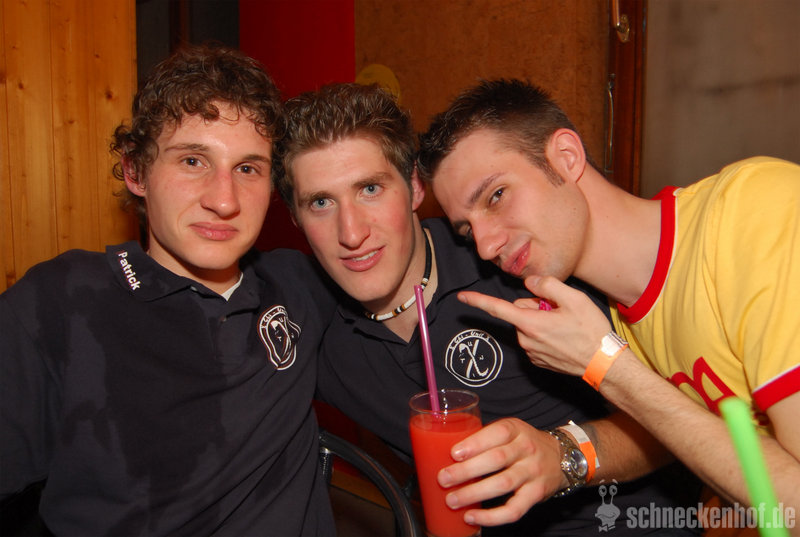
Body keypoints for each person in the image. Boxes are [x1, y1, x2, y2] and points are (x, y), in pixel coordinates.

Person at [273, 82, 701, 535]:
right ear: (297, 219)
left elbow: (676, 420)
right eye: (321, 202)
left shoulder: (517, 257)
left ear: (414, 187)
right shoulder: (310, 328)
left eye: (370, 189)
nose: (351, 232)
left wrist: (564, 453)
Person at [417, 79, 800, 525]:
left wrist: (604, 363)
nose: (485, 246)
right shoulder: (622, 322)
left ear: (566, 157)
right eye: (467, 230)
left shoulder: (753, 212)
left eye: (496, 196)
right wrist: (558, 453)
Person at [0, 44, 336, 536]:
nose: (224, 200)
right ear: (136, 171)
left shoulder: (300, 284)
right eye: (193, 160)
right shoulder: (58, 303)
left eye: (248, 168)